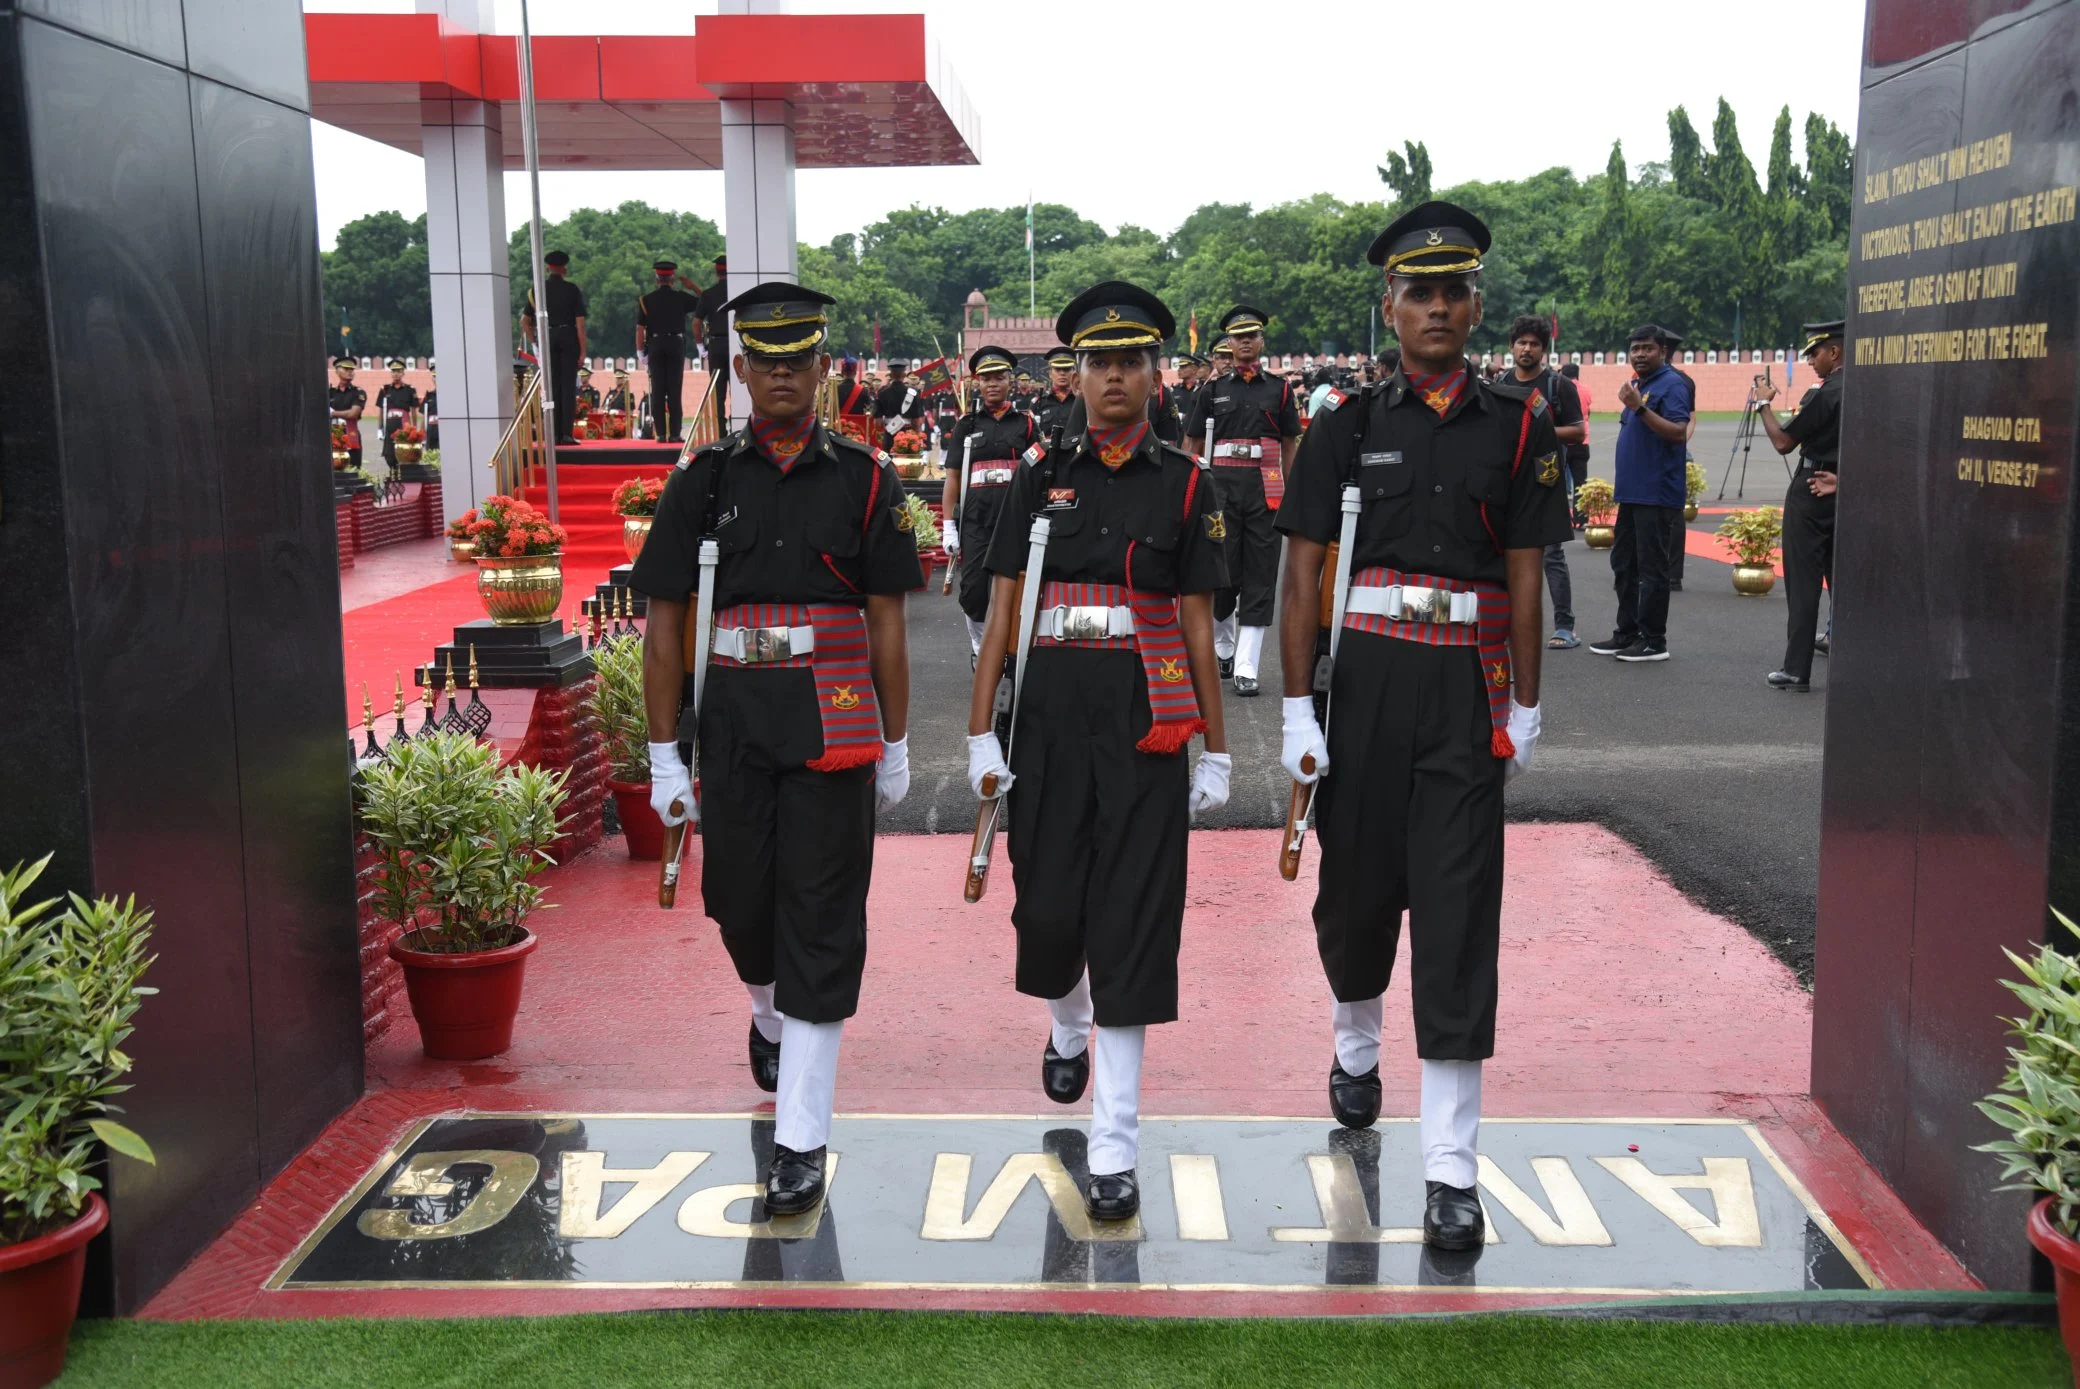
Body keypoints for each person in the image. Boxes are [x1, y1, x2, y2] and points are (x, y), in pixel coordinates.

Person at [1275, 200, 1568, 1251]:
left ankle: (1451, 1164)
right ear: (1389, 307)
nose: (1437, 308)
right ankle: (1356, 1044)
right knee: (1354, 900)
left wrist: (1526, 705)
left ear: (1476, 304)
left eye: (1454, 292)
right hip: (1366, 683)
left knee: (1455, 916)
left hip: (1463, 695)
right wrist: (1296, 706)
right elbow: (1301, 571)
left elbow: (1527, 577)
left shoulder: (1521, 425)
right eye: (1418, 292)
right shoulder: (1344, 426)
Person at [630, 281, 919, 1217]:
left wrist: (898, 736)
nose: (785, 375)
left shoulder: (870, 479)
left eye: (802, 359)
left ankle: (802, 1136)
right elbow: (665, 625)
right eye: (767, 360)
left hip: (835, 717)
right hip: (738, 720)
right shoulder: (703, 479)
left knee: (823, 914)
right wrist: (664, 752)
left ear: (823, 368)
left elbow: (887, 622)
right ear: (742, 370)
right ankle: (765, 1004)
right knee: (740, 902)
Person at [965, 281, 1230, 1221]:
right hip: (1047, 715)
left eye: (1133, 361)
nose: (1116, 377)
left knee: (1133, 918)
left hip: (1145, 718)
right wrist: (977, 729)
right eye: (1099, 362)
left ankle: (1116, 1142)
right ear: (1074, 374)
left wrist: (1216, 745)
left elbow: (1199, 624)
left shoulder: (1188, 485)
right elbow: (1002, 609)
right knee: (1048, 908)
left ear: (1157, 373)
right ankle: (1066, 1017)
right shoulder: (1039, 473)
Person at [1183, 306, 1302, 696]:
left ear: (1261, 341)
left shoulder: (1280, 390)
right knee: (1222, 575)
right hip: (1220, 492)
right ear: (1229, 344)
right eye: (1238, 336)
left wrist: (1293, 493)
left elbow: (1289, 443)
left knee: (1261, 574)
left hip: (1265, 489)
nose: (1246, 341)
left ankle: (1247, 666)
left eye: (1252, 334)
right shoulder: (1213, 391)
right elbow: (1192, 445)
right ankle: (1225, 647)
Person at [1588, 325, 1692, 663]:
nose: (1640, 355)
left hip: (1657, 493)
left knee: (1652, 569)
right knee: (1624, 564)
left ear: (1662, 350)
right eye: (1635, 349)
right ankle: (1627, 632)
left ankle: (1653, 640)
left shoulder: (1672, 385)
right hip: (1632, 493)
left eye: (1647, 348)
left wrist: (1640, 409)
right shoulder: (1639, 385)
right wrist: (1636, 403)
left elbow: (1678, 432)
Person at [1753, 319, 1844, 692]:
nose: (1810, 360)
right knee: (1844, 581)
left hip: (1812, 488)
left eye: (1815, 352)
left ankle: (1796, 670)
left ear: (1834, 351)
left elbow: (1783, 442)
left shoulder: (1827, 393)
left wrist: (1762, 403)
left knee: (1804, 584)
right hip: (1846, 488)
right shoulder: (1868, 388)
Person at [941, 346, 1039, 659]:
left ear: (1011, 381)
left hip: (1015, 518)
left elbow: (1038, 472)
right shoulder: (966, 425)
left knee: (1016, 584)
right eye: (985, 378)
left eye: (999, 377)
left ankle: (1011, 648)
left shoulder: (1025, 424)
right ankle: (980, 649)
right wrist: (947, 526)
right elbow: (954, 477)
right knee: (973, 590)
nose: (992, 383)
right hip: (976, 519)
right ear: (977, 384)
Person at [1503, 318, 1587, 649]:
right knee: (1505, 555)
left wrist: (1537, 432)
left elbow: (1578, 432)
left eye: (1534, 343)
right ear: (1511, 347)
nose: (1527, 348)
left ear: (1543, 349)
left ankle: (1565, 626)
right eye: (1521, 342)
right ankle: (1507, 624)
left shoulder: (1558, 385)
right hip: (1508, 482)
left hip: (1546, 478)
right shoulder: (1501, 383)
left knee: (1551, 556)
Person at [522, 249, 588, 445]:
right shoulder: (572, 290)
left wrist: (534, 341)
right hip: (568, 336)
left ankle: (552, 433)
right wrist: (583, 351)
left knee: (551, 388)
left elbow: (525, 322)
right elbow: (580, 325)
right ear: (564, 268)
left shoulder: (537, 290)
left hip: (547, 336)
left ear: (548, 268)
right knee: (567, 387)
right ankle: (566, 434)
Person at [637, 259, 703, 443]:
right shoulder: (681, 297)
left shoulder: (646, 300)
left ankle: (660, 434)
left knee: (658, 390)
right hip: (675, 344)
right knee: (674, 390)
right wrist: (692, 286)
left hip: (655, 345)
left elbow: (639, 329)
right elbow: (706, 301)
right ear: (673, 279)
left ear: (656, 279)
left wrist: (640, 351)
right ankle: (674, 434)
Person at [374, 358, 419, 472]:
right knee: (389, 455)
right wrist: (380, 428)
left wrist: (414, 428)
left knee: (404, 453)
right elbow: (381, 410)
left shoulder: (410, 390)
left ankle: (402, 475)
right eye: (393, 371)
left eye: (398, 371)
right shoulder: (385, 389)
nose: (396, 374)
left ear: (403, 373)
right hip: (389, 427)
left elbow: (413, 411)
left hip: (403, 426)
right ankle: (393, 474)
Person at [1558, 362, 1590, 523]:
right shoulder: (1585, 390)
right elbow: (1587, 412)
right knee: (1580, 482)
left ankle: (1563, 517)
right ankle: (1581, 518)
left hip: (1563, 441)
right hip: (1582, 442)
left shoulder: (1559, 389)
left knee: (1559, 482)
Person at [872, 360, 925, 451]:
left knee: (888, 461)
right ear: (904, 375)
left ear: (891, 375)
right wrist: (917, 437)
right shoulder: (913, 393)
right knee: (905, 463)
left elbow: (878, 422)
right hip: (907, 435)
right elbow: (916, 421)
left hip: (889, 434)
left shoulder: (882, 393)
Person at [328, 357, 366, 470]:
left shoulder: (358, 392)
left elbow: (353, 414)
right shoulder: (330, 392)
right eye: (346, 369)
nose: (350, 371)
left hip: (350, 432)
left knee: (353, 467)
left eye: (352, 369)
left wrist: (332, 413)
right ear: (337, 371)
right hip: (332, 433)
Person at [1032, 346, 1079, 434]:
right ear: (1050, 373)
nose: (1062, 373)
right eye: (1057, 369)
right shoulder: (1039, 403)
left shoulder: (1082, 400)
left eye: (1067, 369)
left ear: (1074, 372)